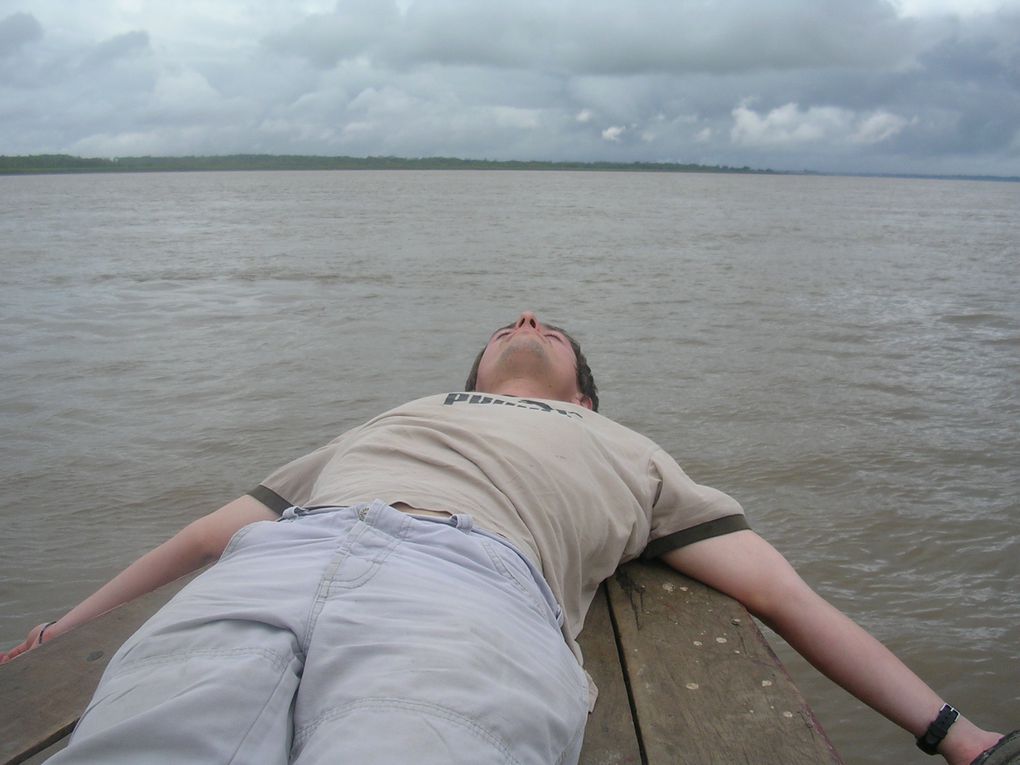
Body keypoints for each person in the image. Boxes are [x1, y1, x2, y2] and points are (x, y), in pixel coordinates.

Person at [2, 311, 1016, 765]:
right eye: (506, 320)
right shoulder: (395, 414)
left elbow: (782, 596)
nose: (526, 314)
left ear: (581, 391)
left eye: (548, 322)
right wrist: (67, 627)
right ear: (475, 374)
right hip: (283, 561)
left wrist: (952, 734)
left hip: (470, 593)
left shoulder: (630, 452)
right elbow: (203, 535)